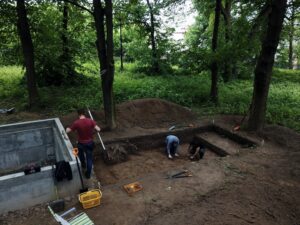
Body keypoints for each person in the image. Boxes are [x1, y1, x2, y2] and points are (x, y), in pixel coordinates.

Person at [66, 109, 101, 179]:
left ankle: (83, 164)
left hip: (81, 144)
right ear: (84, 113)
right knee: (89, 159)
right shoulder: (90, 121)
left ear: (78, 114)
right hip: (89, 143)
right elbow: (98, 129)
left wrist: (67, 128)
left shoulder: (76, 123)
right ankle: (88, 174)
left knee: (81, 155)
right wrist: (94, 132)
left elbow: (67, 131)